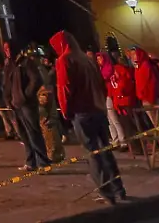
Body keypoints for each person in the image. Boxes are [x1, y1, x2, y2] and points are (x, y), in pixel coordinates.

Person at [51, 30, 125, 205]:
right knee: (105, 150)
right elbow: (101, 85)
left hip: (82, 112)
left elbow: (65, 88)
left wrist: (65, 110)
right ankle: (118, 189)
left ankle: (106, 193)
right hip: (97, 109)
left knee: (92, 153)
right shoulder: (87, 59)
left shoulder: (65, 60)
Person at [2, 41, 50, 170]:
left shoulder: (26, 62)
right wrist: (8, 99)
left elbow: (36, 79)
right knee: (23, 134)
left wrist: (25, 95)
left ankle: (43, 163)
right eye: (5, 49)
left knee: (33, 133)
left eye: (8, 48)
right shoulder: (9, 65)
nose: (7, 51)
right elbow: (6, 84)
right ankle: (31, 162)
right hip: (14, 104)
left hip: (26, 104)